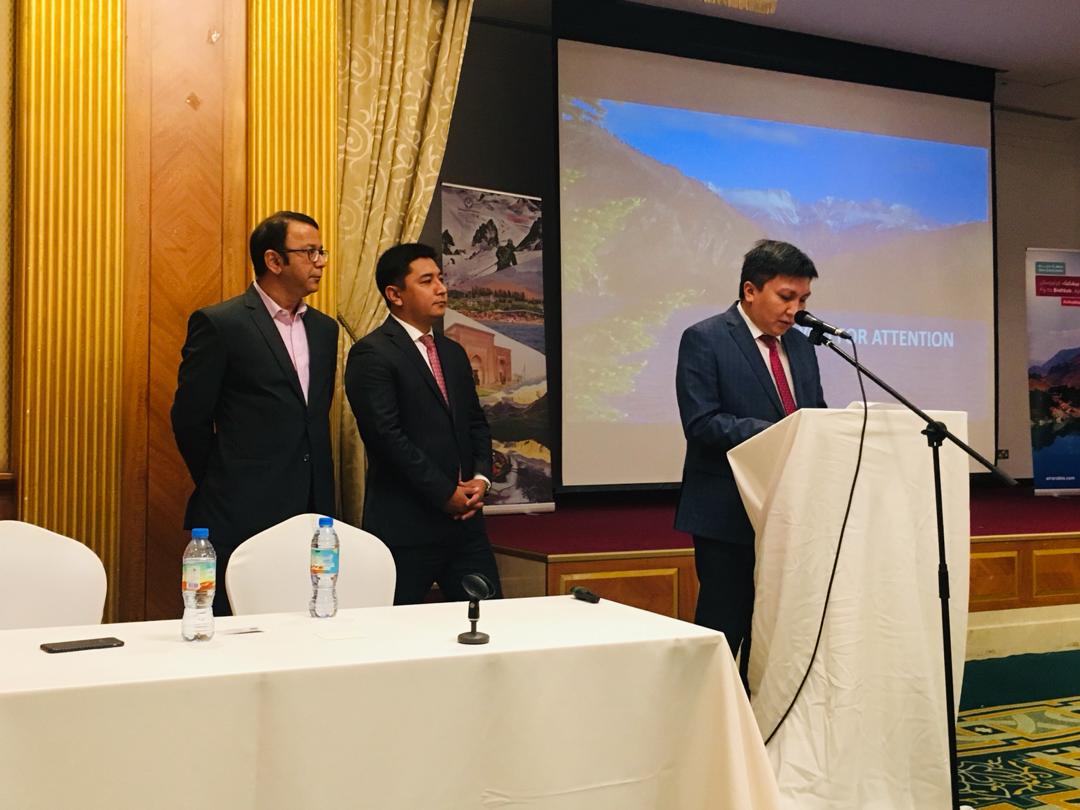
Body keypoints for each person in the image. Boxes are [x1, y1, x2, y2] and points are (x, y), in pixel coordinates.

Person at [675, 239, 827, 687]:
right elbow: (702, 423)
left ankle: (763, 715)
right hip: (728, 510)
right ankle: (707, 716)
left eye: (803, 300)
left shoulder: (801, 347)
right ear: (750, 290)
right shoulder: (705, 338)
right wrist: (784, 431)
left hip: (789, 510)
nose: (795, 310)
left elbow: (814, 414)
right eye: (786, 297)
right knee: (725, 626)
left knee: (778, 630)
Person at [171, 211, 339, 615]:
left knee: (309, 621)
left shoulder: (325, 329)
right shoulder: (221, 323)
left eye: (322, 252)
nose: (320, 262)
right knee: (236, 627)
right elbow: (190, 418)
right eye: (310, 252)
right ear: (274, 260)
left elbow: (312, 417)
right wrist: (223, 478)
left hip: (313, 508)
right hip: (240, 507)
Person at [344, 242, 502, 604]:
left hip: (466, 526)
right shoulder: (372, 353)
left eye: (441, 279)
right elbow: (386, 437)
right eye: (427, 281)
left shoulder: (453, 352)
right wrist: (444, 493)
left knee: (489, 621)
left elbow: (476, 423)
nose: (441, 289)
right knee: (396, 630)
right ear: (395, 294)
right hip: (406, 526)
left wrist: (481, 479)